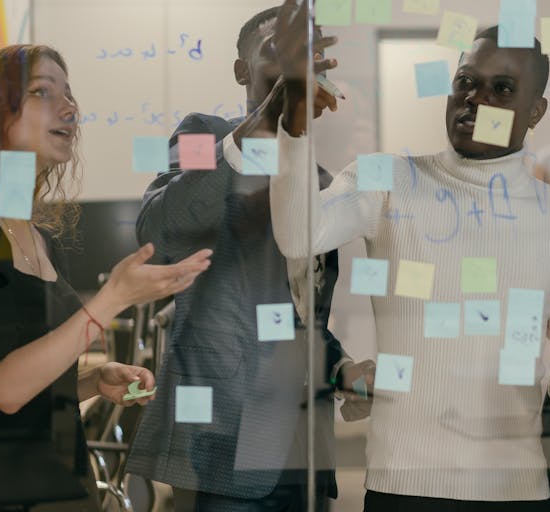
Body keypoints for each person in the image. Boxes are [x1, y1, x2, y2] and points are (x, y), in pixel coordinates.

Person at [268, 2, 550, 509]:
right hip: (403, 487)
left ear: (535, 111)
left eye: (502, 89)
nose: (474, 99)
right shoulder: (388, 179)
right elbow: (297, 235)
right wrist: (292, 122)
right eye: (465, 80)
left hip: (514, 490)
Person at [0, 44, 211, 511]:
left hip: (67, 489)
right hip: (0, 496)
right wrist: (110, 300)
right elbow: (2, 392)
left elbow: (34, 378)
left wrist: (90, 381)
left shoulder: (41, 238)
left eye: (70, 95)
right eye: (43, 92)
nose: (69, 108)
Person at [125, 6, 374, 512]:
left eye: (305, 53)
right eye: (277, 49)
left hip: (304, 451)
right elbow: (161, 229)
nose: (295, 63)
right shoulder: (204, 136)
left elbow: (301, 318)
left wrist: (340, 367)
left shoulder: (322, 183)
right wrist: (267, 124)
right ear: (241, 71)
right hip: (223, 445)